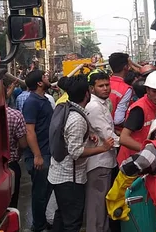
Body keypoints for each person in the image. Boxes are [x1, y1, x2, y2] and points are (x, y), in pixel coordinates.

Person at [47, 75, 115, 232]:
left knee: (62, 215)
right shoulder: (77, 119)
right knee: (72, 221)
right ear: (87, 94)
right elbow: (75, 152)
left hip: (59, 173)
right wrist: (102, 148)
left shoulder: (66, 107)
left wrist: (88, 133)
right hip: (69, 178)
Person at [85, 71, 122, 232]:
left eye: (107, 85)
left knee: (103, 204)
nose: (106, 89)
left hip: (107, 160)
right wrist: (130, 142)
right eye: (101, 86)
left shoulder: (104, 103)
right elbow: (107, 134)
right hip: (98, 162)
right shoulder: (93, 107)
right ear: (92, 88)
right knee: (96, 206)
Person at [23, 70, 55, 232]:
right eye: (45, 77)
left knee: (46, 191)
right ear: (39, 83)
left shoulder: (43, 99)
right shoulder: (32, 102)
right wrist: (37, 155)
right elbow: (30, 131)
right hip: (40, 154)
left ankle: (41, 222)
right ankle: (38, 225)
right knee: (40, 193)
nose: (47, 78)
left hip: (47, 152)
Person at [117, 70, 156, 165]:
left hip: (143, 159)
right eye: (155, 91)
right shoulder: (139, 109)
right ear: (147, 90)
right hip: (131, 162)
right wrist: (148, 150)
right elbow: (123, 138)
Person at [108, 53, 136, 132]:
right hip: (118, 133)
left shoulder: (103, 83)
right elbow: (118, 120)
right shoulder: (126, 89)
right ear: (125, 67)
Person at [7, 105, 28, 208]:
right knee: (11, 205)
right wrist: (17, 154)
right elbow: (23, 144)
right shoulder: (15, 115)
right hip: (11, 164)